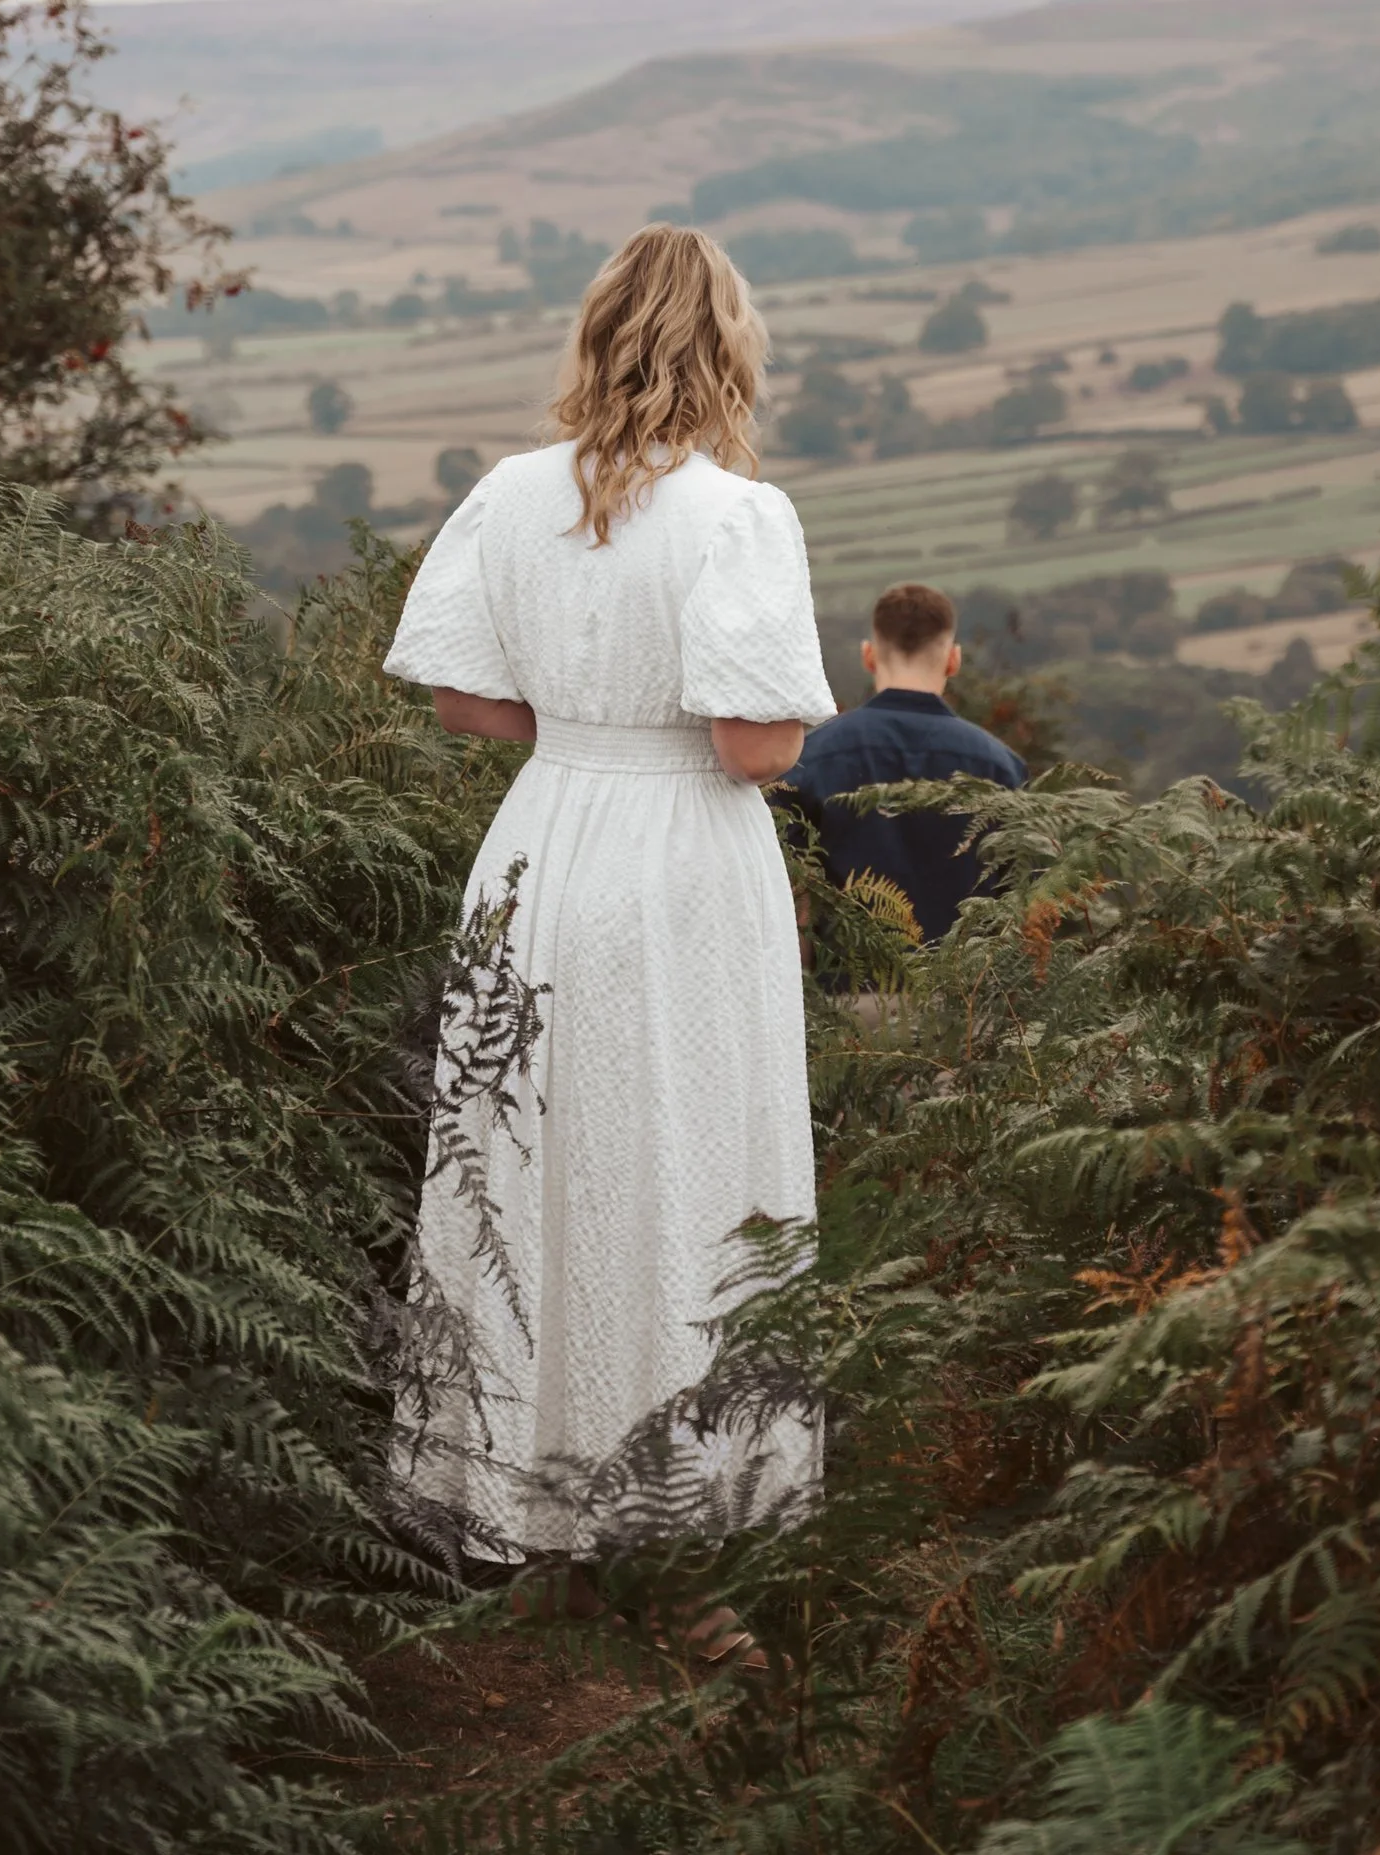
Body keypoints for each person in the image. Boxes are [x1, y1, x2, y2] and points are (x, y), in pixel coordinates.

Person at [380, 225, 836, 1577]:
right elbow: (755, 748)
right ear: (728, 354)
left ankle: (512, 1495)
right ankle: (691, 1501)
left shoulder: (508, 494)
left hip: (541, 845)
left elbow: (464, 693)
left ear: (595, 338)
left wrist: (585, 729)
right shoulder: (737, 515)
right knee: (691, 1157)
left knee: (520, 1160)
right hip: (684, 859)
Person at [790, 581, 1025, 948]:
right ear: (953, 659)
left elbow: (790, 890)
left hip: (848, 996)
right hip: (969, 994)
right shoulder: (1001, 766)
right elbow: (1025, 900)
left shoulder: (810, 758)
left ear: (869, 656)